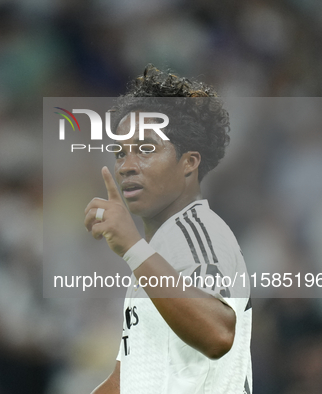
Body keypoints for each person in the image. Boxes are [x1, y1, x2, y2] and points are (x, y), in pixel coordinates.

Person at [84, 65, 252, 393]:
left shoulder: (196, 233)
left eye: (145, 149)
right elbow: (124, 384)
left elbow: (218, 334)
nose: (126, 166)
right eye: (120, 152)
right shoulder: (155, 257)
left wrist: (132, 246)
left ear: (189, 162)